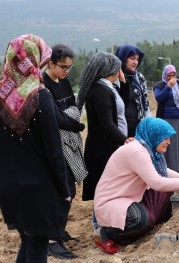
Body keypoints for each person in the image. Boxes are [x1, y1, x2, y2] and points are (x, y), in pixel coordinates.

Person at [0, 34, 71, 263]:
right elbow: (53, 150)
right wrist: (64, 188)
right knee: (37, 247)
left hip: (10, 187)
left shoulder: (3, 98)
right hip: (39, 188)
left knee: (29, 242)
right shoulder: (40, 96)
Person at [93, 117, 179, 254]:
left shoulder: (148, 149)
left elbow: (164, 172)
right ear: (154, 135)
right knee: (141, 219)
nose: (169, 142)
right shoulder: (137, 151)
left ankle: (148, 224)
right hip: (112, 200)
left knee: (168, 191)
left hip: (128, 196)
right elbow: (157, 182)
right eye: (165, 138)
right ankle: (107, 233)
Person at [43, 43, 85, 259]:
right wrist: (77, 125)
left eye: (70, 67)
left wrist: (72, 119)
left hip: (68, 143)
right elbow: (56, 117)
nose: (66, 71)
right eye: (63, 67)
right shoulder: (44, 85)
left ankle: (58, 230)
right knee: (60, 191)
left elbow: (73, 108)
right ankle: (51, 239)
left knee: (70, 188)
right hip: (53, 145)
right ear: (50, 63)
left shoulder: (65, 82)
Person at [77, 51, 132, 202]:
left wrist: (124, 82)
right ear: (111, 70)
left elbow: (124, 105)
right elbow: (106, 122)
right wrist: (124, 140)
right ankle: (100, 222)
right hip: (103, 148)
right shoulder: (100, 92)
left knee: (107, 189)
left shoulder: (108, 87)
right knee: (104, 189)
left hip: (109, 144)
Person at [154, 65, 179, 172]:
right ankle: (169, 167)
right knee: (170, 143)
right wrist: (168, 86)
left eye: (173, 75)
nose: (172, 77)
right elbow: (159, 98)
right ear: (165, 75)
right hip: (167, 119)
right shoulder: (160, 85)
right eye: (169, 75)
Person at [115, 45, 151, 137]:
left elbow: (145, 103)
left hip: (138, 128)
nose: (135, 62)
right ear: (123, 58)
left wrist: (147, 124)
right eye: (132, 58)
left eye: (137, 59)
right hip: (119, 128)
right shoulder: (114, 77)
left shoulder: (139, 78)